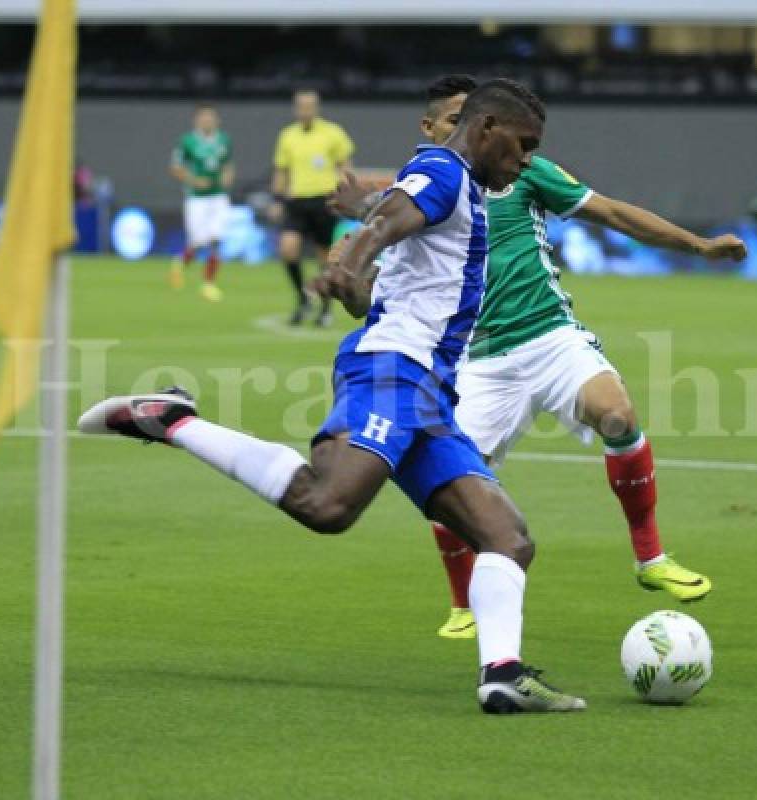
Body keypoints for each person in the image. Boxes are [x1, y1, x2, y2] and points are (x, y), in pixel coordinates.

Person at [80, 79, 586, 714]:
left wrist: (355, 279)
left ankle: (502, 676)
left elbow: (387, 288)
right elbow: (391, 217)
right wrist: (354, 254)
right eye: (522, 146)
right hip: (394, 376)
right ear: (486, 130)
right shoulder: (444, 171)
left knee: (507, 538)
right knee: (328, 504)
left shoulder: (463, 194)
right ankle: (172, 420)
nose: (525, 162)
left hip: (427, 393)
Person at [332, 75, 746, 639]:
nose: (467, 131)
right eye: (452, 121)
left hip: (547, 334)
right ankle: (464, 605)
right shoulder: (422, 191)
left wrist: (697, 246)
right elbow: (387, 284)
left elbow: (615, 214)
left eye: (470, 119)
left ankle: (651, 560)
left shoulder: (521, 175)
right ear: (432, 129)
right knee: (454, 485)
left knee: (617, 413)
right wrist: (354, 267)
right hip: (478, 359)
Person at [271, 89, 354, 326]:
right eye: (301, 106)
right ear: (295, 109)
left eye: (309, 106)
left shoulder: (332, 133)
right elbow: (281, 171)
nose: (305, 110)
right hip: (297, 200)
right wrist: (277, 199)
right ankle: (302, 298)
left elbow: (345, 166)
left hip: (324, 201)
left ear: (316, 108)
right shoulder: (287, 136)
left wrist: (345, 194)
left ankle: (325, 307)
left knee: (324, 258)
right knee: (288, 249)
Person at [169, 104, 234, 303]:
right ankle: (179, 264)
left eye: (210, 117)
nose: (207, 121)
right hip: (196, 198)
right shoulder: (187, 142)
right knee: (197, 242)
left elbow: (227, 164)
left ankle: (208, 284)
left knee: (215, 239)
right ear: (196, 121)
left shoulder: (224, 140)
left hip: (218, 197)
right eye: (203, 117)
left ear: (217, 120)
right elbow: (175, 168)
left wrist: (227, 176)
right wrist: (194, 180)